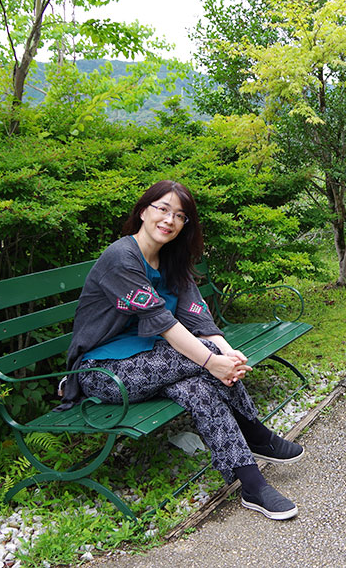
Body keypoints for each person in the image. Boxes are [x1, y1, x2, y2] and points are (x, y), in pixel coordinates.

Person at [61, 180, 303, 520]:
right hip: (104, 372)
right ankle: (255, 432)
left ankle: (252, 485)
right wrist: (211, 360)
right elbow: (165, 324)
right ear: (143, 211)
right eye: (162, 209)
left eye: (179, 215)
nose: (169, 220)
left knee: (197, 388)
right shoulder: (121, 258)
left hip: (155, 362)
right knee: (203, 365)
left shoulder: (171, 261)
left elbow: (197, 315)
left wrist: (227, 354)